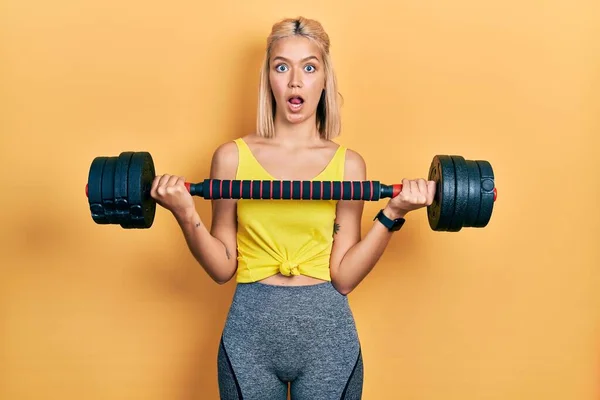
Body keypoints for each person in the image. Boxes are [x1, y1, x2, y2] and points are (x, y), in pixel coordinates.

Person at [150, 16, 435, 400]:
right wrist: (185, 213)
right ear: (269, 78)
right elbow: (222, 268)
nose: (295, 81)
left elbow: (345, 276)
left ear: (323, 79)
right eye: (282, 66)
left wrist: (393, 213)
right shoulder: (231, 158)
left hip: (327, 341)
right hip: (249, 337)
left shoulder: (348, 165)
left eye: (309, 67)